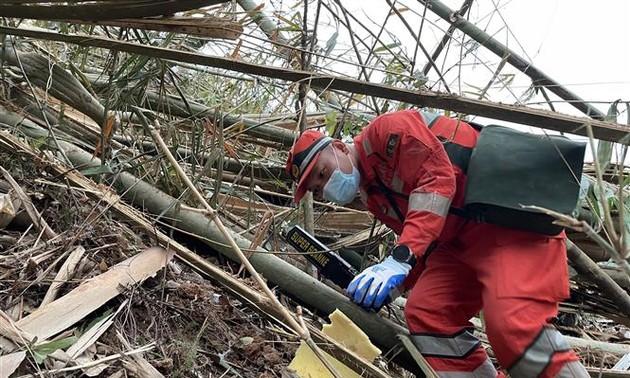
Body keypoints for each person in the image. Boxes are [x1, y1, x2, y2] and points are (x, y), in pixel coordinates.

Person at [284, 109, 589, 377]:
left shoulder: (386, 132)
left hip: (506, 223)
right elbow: (425, 238)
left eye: (323, 173)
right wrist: (396, 285)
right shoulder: (374, 195)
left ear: (338, 147)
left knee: (512, 322)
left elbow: (438, 179)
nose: (326, 187)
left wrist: (399, 258)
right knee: (427, 312)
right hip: (458, 246)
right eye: (318, 188)